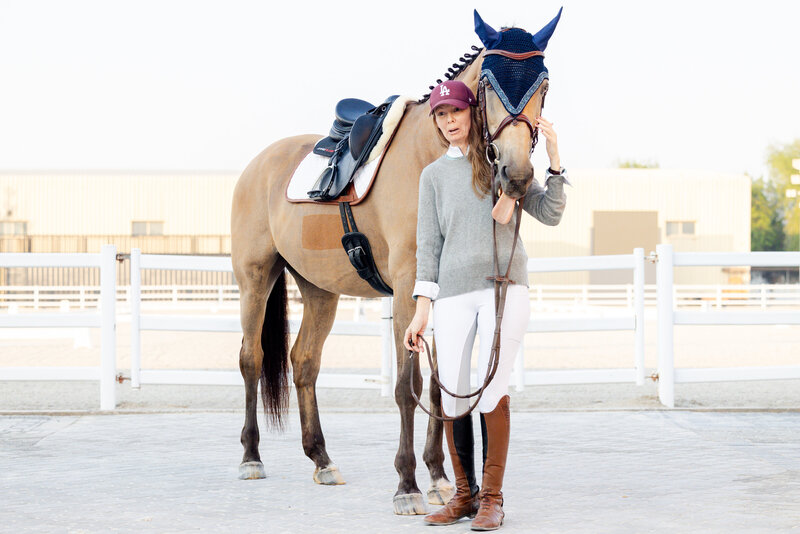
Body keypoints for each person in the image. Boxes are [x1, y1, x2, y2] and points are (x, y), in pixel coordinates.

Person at [403, 79, 568, 530]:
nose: (450, 121)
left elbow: (551, 213)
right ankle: (464, 495)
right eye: (441, 114)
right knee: (453, 390)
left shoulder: (503, 162)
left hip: (505, 287)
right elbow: (428, 245)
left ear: (472, 113)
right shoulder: (433, 176)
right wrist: (421, 309)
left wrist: (552, 162)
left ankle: (493, 499)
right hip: (453, 294)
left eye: (456, 111)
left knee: (492, 388)